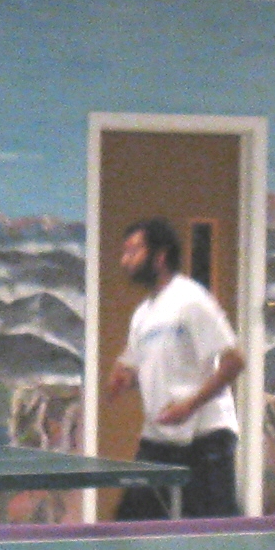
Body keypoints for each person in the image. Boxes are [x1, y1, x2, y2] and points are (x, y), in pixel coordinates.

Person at [106, 217, 244, 519]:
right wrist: (124, 380)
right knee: (132, 525)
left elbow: (235, 361)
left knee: (213, 532)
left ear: (160, 256)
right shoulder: (142, 315)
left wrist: (189, 404)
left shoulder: (191, 300)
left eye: (133, 252)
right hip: (160, 436)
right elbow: (137, 369)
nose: (125, 261)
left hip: (206, 436)